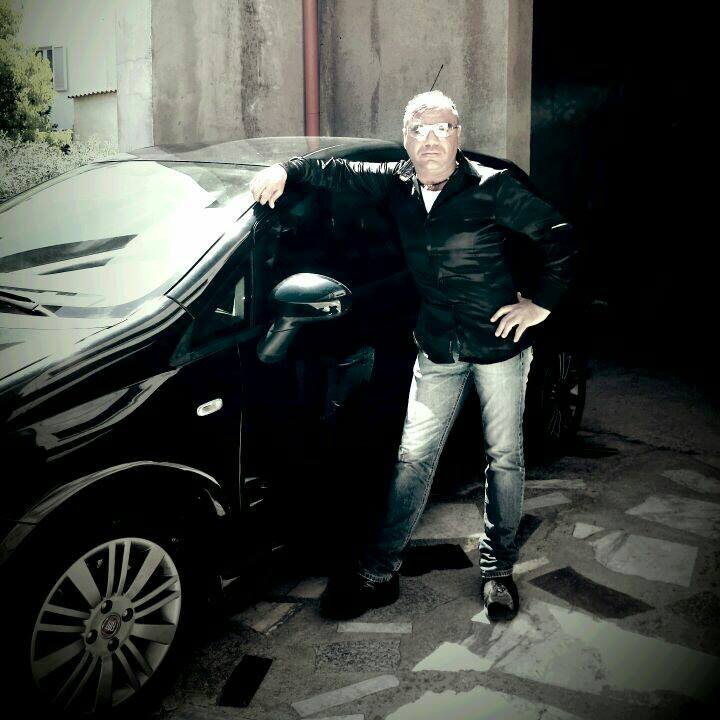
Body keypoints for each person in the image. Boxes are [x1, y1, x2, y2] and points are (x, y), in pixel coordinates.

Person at [250, 90, 576, 622]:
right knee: (413, 457)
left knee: (504, 457)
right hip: (439, 344)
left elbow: (558, 235)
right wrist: (284, 170)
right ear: (406, 140)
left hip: (497, 345)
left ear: (458, 137)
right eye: (419, 129)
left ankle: (497, 571)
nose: (431, 138)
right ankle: (379, 573)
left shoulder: (491, 187)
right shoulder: (396, 182)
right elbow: (334, 170)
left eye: (443, 127)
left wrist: (539, 304)